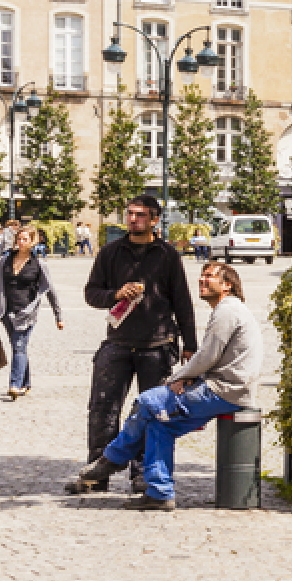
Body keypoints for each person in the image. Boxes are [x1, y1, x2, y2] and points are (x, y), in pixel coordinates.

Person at [68, 261, 262, 511]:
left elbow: (207, 356)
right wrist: (191, 376)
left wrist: (177, 378)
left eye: (209, 277)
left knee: (148, 401)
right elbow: (211, 358)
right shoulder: (228, 309)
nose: (202, 280)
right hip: (224, 387)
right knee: (161, 425)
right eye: (201, 276)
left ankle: (112, 459)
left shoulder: (228, 309)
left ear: (227, 285)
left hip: (224, 390)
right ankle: (160, 493)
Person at [68, 194, 198, 493]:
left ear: (154, 220)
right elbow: (91, 293)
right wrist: (115, 295)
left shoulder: (167, 255)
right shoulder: (110, 253)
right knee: (102, 409)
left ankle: (144, 473)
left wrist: (189, 345)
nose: (133, 219)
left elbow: (183, 302)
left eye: (140, 215)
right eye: (130, 214)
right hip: (118, 343)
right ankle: (97, 473)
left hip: (158, 344)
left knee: (152, 412)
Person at [0, 220, 64, 398]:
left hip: (26, 313)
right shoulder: (5, 261)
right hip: (6, 312)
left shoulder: (39, 265)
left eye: (25, 239)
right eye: (19, 238)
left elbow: (50, 291)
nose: (21, 242)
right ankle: (26, 383)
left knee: (18, 347)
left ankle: (14, 385)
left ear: (33, 241)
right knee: (19, 348)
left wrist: (58, 316)